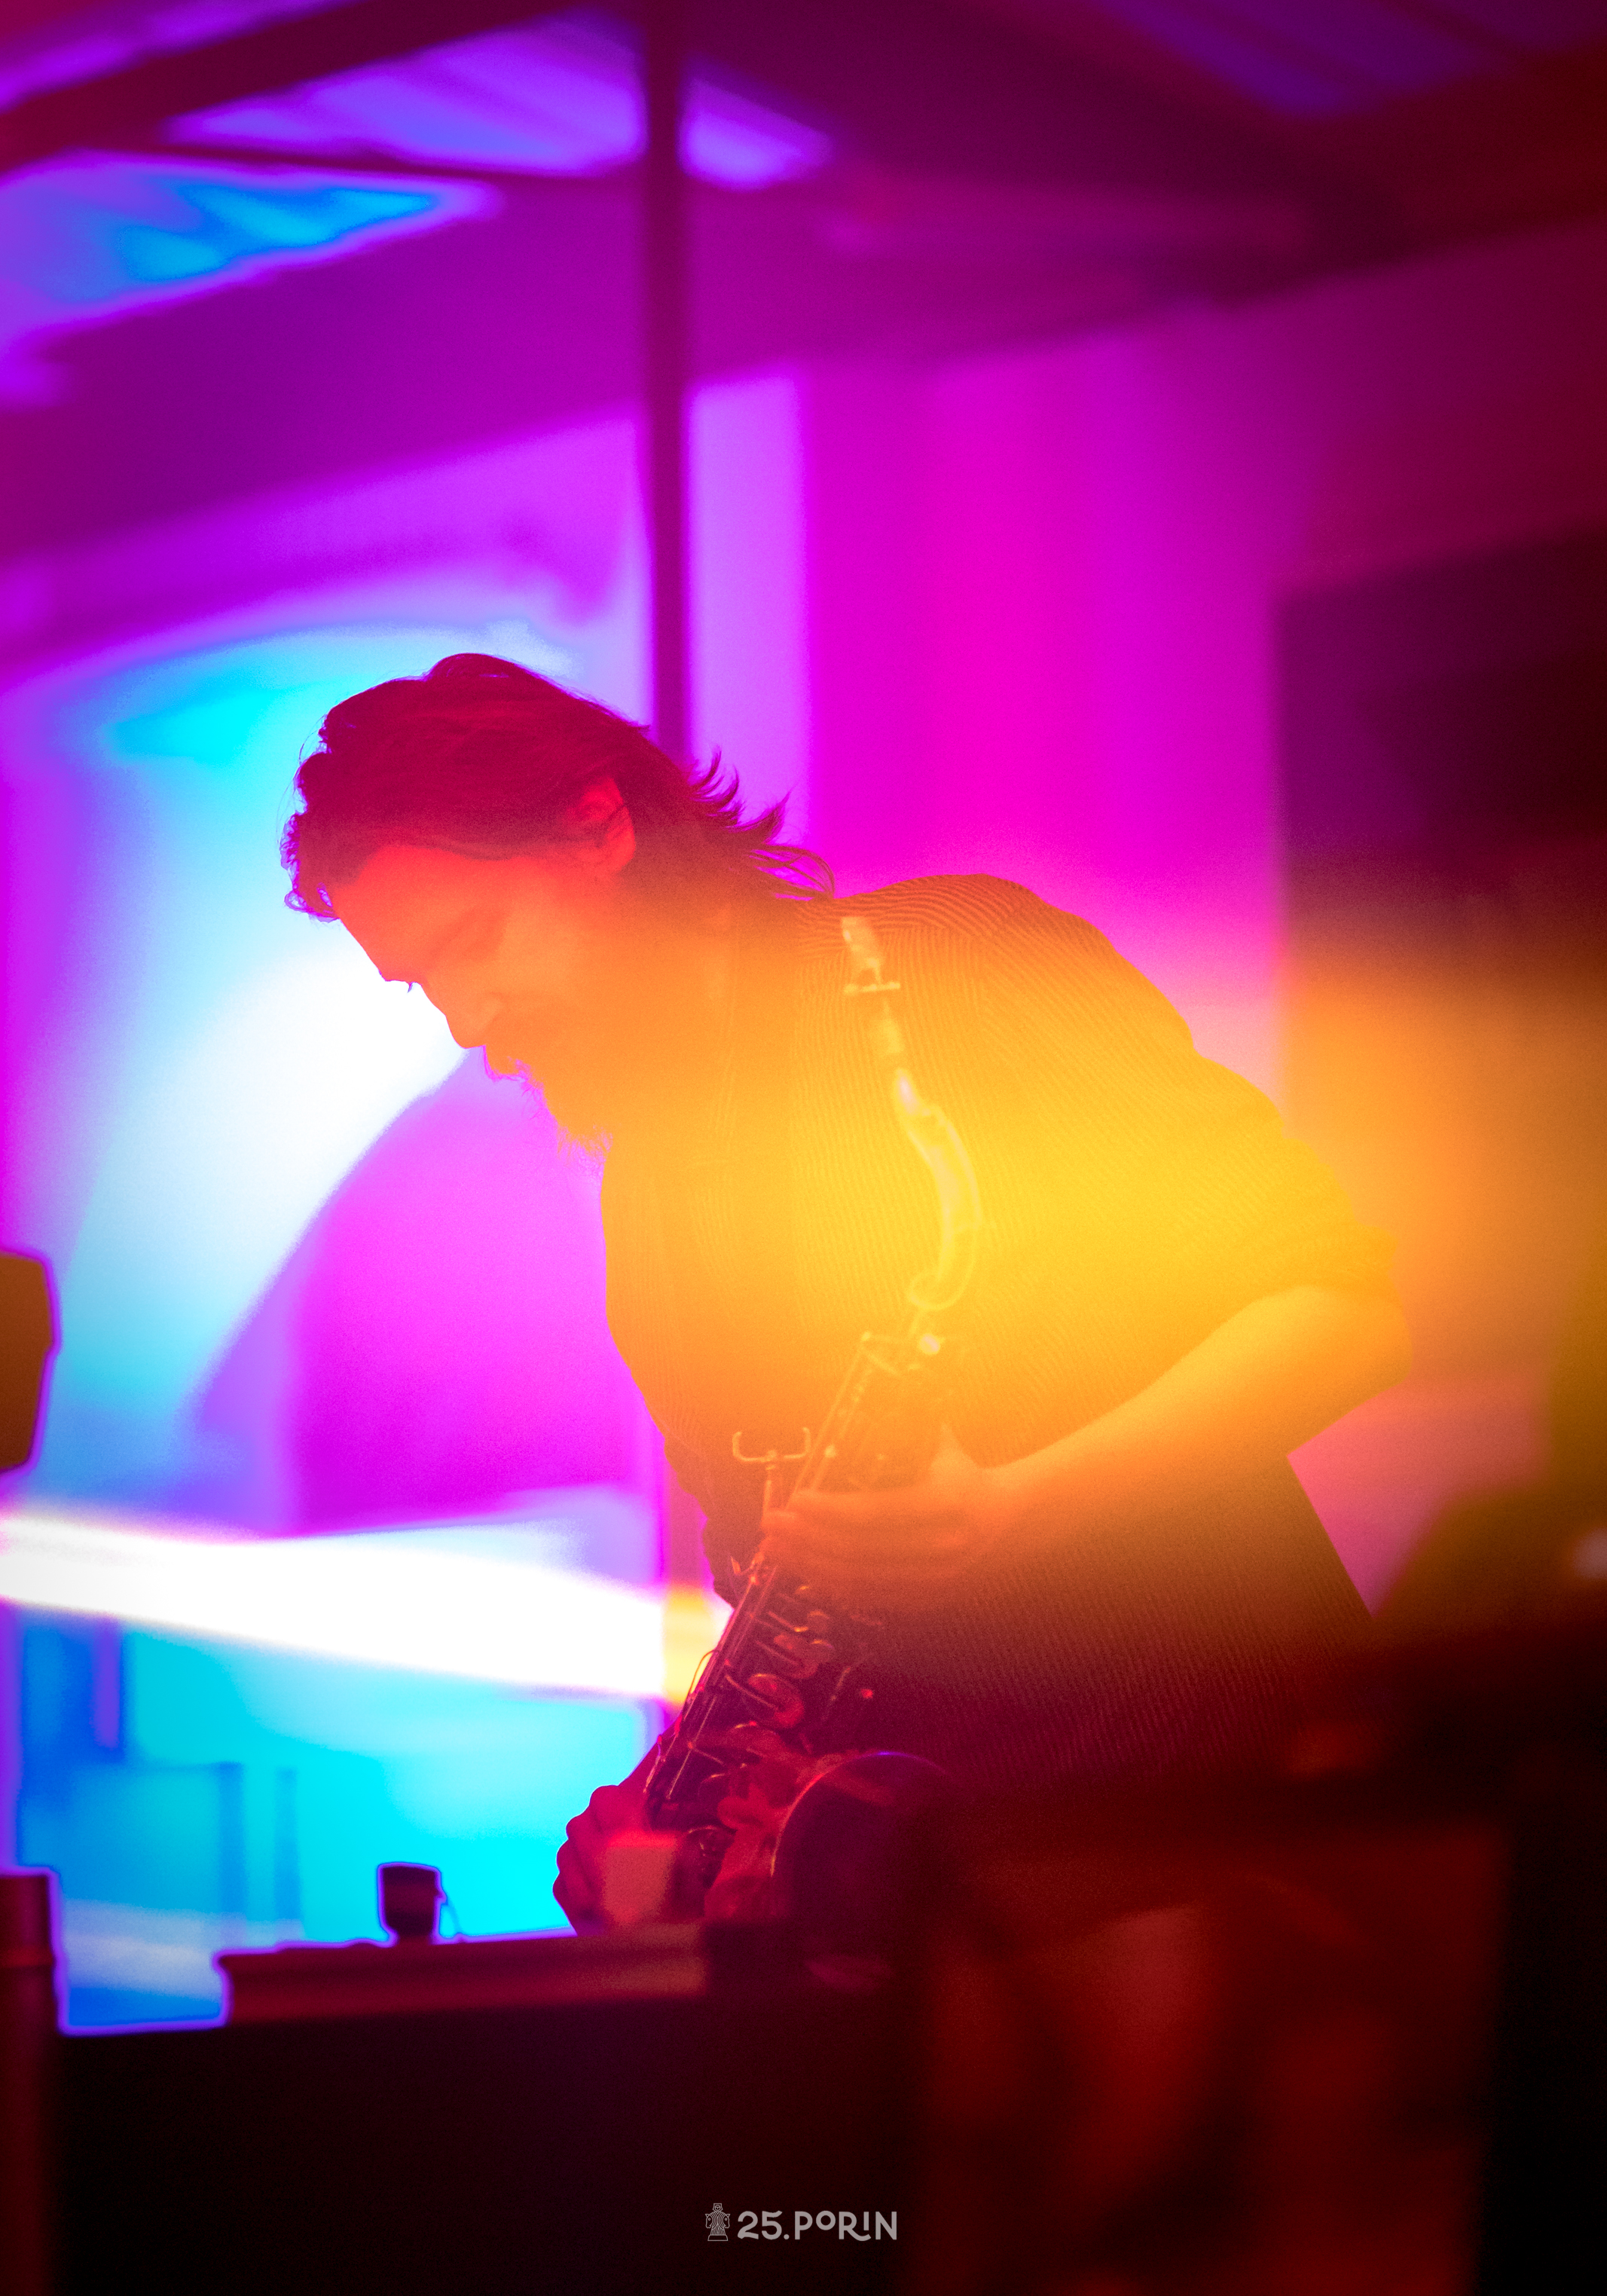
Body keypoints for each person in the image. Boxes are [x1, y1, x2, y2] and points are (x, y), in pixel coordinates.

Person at [283, 654, 1410, 1928]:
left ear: (597, 825)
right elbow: (792, 1602)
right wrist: (678, 1794)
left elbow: (1342, 1312)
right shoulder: (648, 1190)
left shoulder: (957, 970)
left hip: (1222, 1805)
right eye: (426, 985)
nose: (467, 1024)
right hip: (973, 1884)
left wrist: (1021, 1510)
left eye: (476, 943)